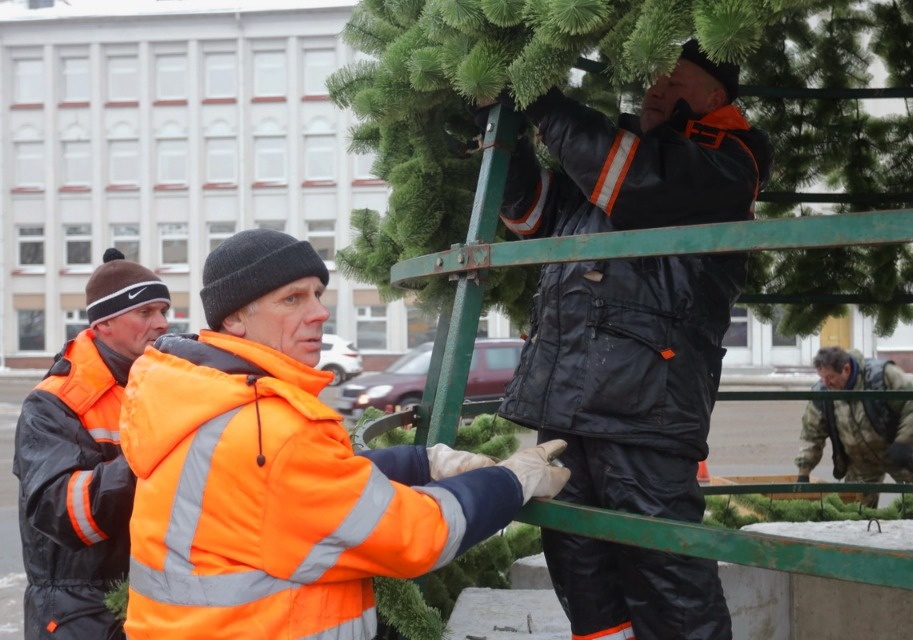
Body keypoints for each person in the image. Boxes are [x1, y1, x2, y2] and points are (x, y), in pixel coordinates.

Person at [118, 228, 570, 639]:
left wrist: (422, 463)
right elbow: (415, 536)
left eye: (317, 293)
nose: (319, 312)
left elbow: (293, 491)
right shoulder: (271, 431)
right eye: (292, 299)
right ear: (235, 318)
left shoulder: (206, 399)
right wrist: (511, 480)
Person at [490, 39, 774, 640]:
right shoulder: (616, 168)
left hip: (646, 404)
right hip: (567, 404)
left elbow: (638, 182)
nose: (657, 89)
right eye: (655, 78)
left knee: (668, 577)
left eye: (677, 83)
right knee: (580, 569)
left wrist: (541, 95)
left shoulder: (725, 162)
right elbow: (530, 215)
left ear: (714, 99)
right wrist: (496, 132)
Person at [13, 249, 171, 639]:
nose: (163, 324)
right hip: (78, 612)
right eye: (146, 313)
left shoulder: (154, 385)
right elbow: (61, 513)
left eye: (164, 311)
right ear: (104, 324)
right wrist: (153, 454)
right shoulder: (54, 403)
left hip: (146, 598)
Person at [795, 346, 913, 508]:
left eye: (831, 377)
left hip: (903, 453)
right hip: (862, 463)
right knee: (854, 515)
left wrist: (904, 442)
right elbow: (811, 434)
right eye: (822, 378)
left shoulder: (882, 376)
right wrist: (804, 471)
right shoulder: (823, 393)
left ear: (846, 369)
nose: (826, 383)